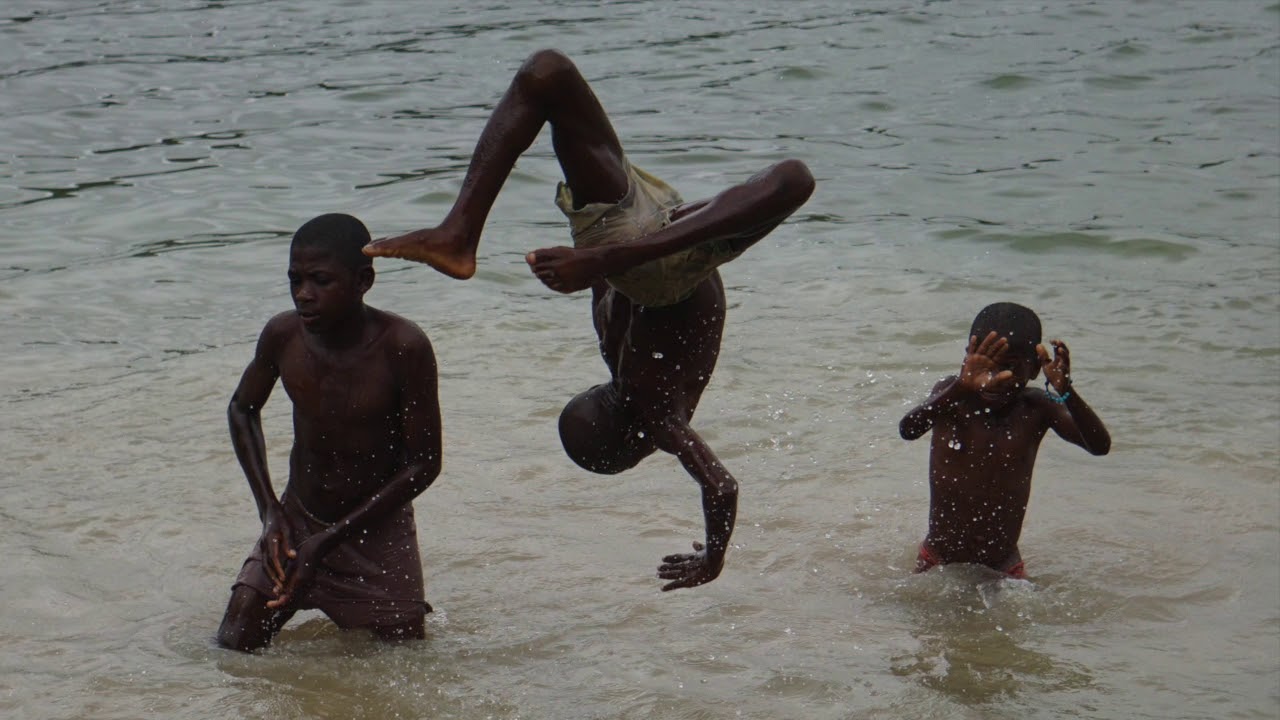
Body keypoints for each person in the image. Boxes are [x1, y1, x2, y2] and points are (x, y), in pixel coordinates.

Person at [364, 49, 814, 591]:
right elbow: (721, 488)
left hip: (645, 261)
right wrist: (598, 263)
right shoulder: (617, 356)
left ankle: (460, 233)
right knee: (547, 76)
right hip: (644, 251)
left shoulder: (653, 409)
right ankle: (460, 232)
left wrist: (714, 558)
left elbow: (722, 488)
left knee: (549, 77)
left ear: (633, 443)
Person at [216, 213, 443, 652]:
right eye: (295, 279)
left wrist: (331, 540)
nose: (304, 295)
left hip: (375, 526)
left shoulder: (403, 347)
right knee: (233, 646)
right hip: (298, 519)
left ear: (363, 281)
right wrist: (271, 512)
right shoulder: (283, 336)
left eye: (321, 281)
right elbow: (242, 408)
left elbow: (425, 463)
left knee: (405, 663)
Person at [898, 302, 1111, 578]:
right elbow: (908, 429)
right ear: (968, 359)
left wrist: (1066, 390)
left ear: (1035, 368)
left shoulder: (1037, 408)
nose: (997, 379)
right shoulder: (952, 395)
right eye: (989, 368)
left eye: (1010, 369)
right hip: (938, 559)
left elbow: (1099, 446)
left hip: (1003, 566)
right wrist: (961, 386)